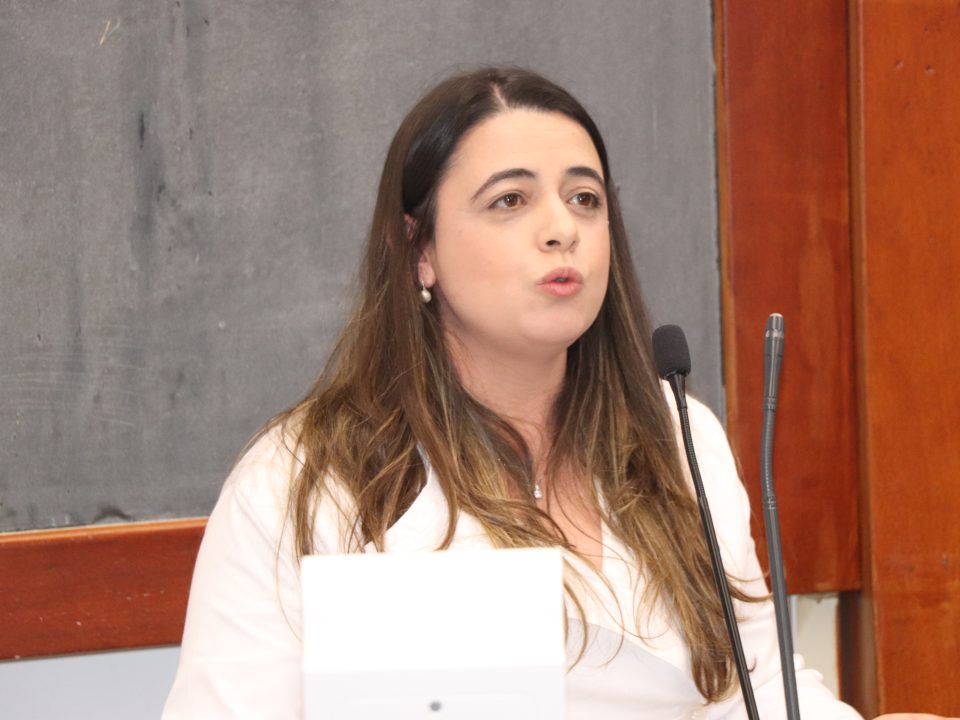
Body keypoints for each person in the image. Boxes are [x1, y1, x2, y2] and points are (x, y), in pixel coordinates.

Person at [162, 68, 949, 720]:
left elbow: (758, 686)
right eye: (510, 200)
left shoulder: (680, 435)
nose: (561, 229)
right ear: (419, 248)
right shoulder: (303, 480)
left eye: (584, 199)